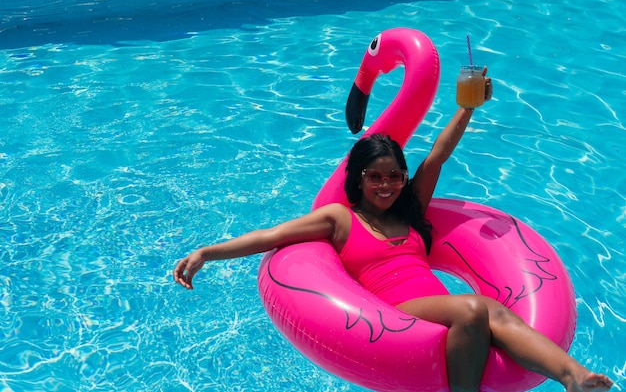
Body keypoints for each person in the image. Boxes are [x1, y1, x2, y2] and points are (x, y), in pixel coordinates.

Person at [173, 69, 613, 392]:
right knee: (477, 310)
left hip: (440, 307)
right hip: (395, 315)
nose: (386, 185)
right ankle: (569, 377)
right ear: (359, 179)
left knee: (483, 313)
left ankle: (572, 377)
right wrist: (207, 253)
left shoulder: (409, 211)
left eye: (394, 177)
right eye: (376, 177)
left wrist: (467, 108)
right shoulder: (340, 219)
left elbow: (437, 157)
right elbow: (272, 236)